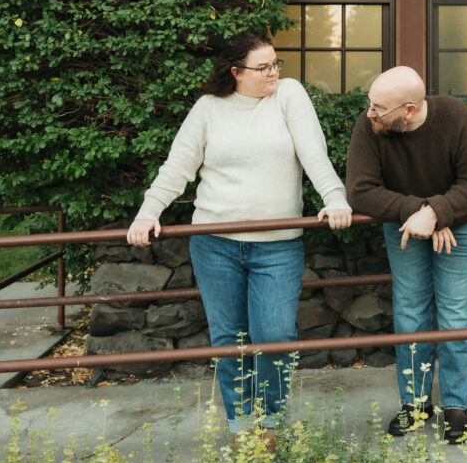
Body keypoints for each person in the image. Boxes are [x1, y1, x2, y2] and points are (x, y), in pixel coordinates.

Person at [127, 31, 352, 441]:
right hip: (215, 244)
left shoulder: (289, 95)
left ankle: (270, 423)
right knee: (229, 339)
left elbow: (314, 154)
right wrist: (148, 212)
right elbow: (177, 167)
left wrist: (335, 199)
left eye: (275, 63)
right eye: (263, 67)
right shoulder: (208, 109)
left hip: (278, 245)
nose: (273, 72)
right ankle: (241, 427)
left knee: (275, 336)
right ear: (236, 72)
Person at [346, 66, 467, 443]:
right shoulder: (371, 124)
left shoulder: (457, 119)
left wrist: (437, 214)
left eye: (379, 108)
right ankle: (415, 404)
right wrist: (423, 211)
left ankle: (457, 406)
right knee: (410, 308)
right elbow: (360, 191)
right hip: (405, 226)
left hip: (463, 227)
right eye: (370, 104)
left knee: (457, 311)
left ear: (409, 110)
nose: (370, 113)